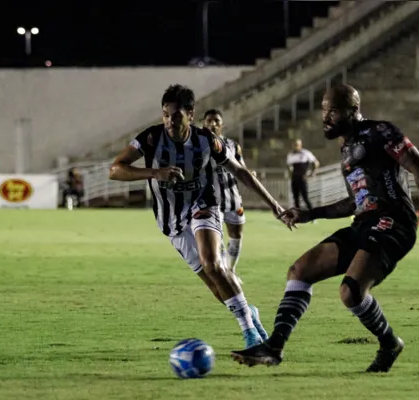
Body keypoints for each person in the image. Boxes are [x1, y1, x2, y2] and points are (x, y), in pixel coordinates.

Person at [231, 84, 419, 372]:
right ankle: (274, 348)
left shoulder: (380, 132)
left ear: (353, 111)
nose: (326, 117)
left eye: (333, 110)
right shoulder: (346, 149)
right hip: (365, 222)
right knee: (299, 271)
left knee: (350, 291)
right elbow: (355, 203)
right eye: (323, 110)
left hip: (394, 222)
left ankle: (389, 343)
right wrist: (310, 213)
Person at [109, 84, 287, 349]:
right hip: (171, 220)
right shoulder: (150, 138)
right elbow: (115, 169)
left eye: (176, 115)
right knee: (216, 285)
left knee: (213, 263)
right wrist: (155, 173)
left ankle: (250, 334)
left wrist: (273, 204)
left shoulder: (206, 140)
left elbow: (240, 171)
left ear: (190, 114)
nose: (170, 121)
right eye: (166, 115)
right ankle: (250, 314)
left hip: (203, 205)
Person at [202, 109, 246, 284]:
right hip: (211, 201)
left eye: (216, 121)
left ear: (222, 125)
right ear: (204, 123)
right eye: (209, 120)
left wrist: (250, 173)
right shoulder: (199, 145)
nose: (213, 124)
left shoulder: (232, 145)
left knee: (236, 235)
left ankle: (231, 270)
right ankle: (223, 274)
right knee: (217, 239)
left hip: (232, 198)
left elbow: (242, 168)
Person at [286, 139, 319, 212]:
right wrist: (290, 174)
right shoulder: (290, 154)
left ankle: (313, 215)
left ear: (300, 145)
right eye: (294, 145)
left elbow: (316, 163)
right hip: (294, 178)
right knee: (295, 198)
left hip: (302, 178)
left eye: (297, 145)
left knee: (305, 198)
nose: (295, 146)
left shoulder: (305, 153)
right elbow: (288, 166)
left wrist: (312, 173)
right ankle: (298, 216)